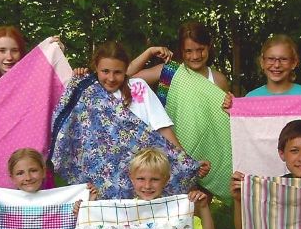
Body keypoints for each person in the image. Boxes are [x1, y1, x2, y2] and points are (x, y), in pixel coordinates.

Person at [73, 41, 210, 178]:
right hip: (100, 177)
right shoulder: (86, 93)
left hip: (142, 176)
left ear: (126, 69)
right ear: (96, 67)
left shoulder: (138, 88)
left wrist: (188, 162)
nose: (111, 78)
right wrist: (75, 78)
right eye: (105, 71)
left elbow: (162, 127)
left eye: (118, 72)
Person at [127, 21, 231, 93]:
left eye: (200, 50)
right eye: (188, 51)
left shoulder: (219, 80)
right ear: (181, 51)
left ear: (209, 46)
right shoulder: (170, 71)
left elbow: (226, 117)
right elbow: (125, 77)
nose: (195, 56)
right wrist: (149, 52)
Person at [6, 147, 97, 215]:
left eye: (33, 171)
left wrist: (88, 204)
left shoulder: (63, 200)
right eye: (20, 173)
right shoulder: (4, 204)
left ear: (44, 172)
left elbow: (82, 227)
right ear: (12, 178)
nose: (28, 177)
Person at [0, 26, 65, 85]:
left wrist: (56, 55)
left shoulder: (35, 82)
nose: (9, 57)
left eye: (14, 50)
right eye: (2, 51)